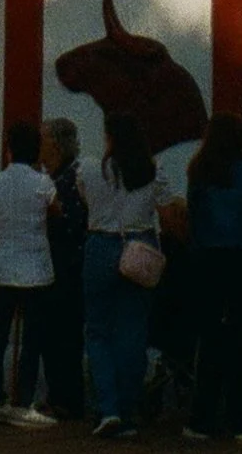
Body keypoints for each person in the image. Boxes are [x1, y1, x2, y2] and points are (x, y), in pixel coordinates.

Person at [79, 109, 176, 442]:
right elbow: (165, 212)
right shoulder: (153, 170)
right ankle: (129, 407)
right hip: (139, 246)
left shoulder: (90, 168)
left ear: (108, 136)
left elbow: (84, 199)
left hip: (100, 246)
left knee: (97, 331)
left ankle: (108, 408)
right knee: (132, 332)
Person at [184, 111, 242, 442]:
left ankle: (203, 417)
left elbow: (193, 218)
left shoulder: (200, 172)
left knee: (209, 336)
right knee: (238, 334)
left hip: (208, 259)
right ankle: (241, 418)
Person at [0, 120, 57, 426]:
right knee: (32, 340)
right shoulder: (43, 184)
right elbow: (56, 212)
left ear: (8, 150)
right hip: (35, 270)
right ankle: (23, 399)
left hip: (1, 268)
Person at [39, 122, 89, 427]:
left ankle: (66, 399)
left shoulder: (70, 179)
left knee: (64, 335)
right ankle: (60, 395)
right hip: (56, 265)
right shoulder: (53, 177)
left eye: (43, 140)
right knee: (55, 334)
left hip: (67, 267)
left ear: (55, 145)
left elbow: (74, 222)